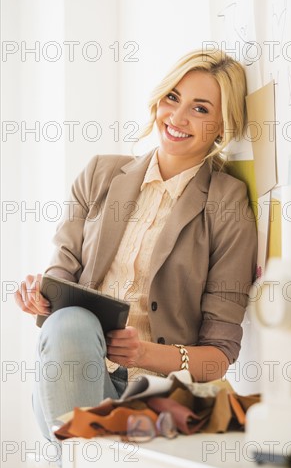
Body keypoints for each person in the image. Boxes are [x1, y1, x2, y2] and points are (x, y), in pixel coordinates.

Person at [14, 48, 258, 443]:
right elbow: (61, 272)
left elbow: (217, 358)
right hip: (73, 373)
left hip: (152, 397)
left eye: (200, 109)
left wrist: (141, 353)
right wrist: (40, 296)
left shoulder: (227, 203)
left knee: (83, 450)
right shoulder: (99, 174)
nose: (177, 118)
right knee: (70, 321)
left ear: (222, 126)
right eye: (172, 98)